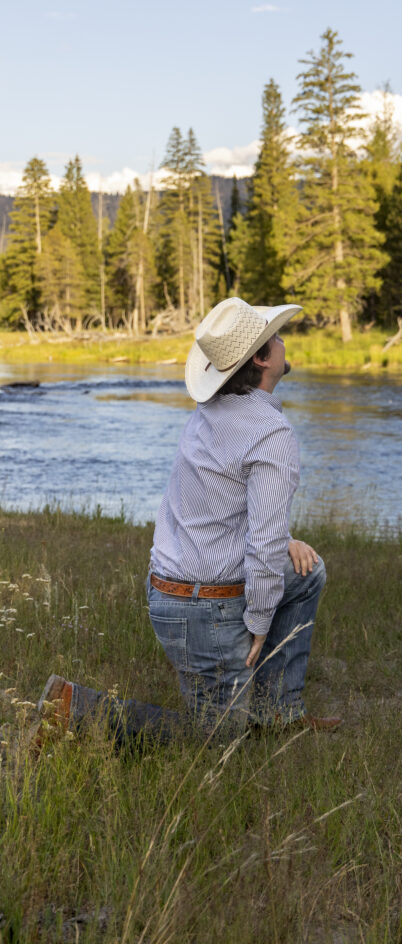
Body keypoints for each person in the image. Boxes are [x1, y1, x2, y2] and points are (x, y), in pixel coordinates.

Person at [34, 296, 341, 750]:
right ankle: (72, 706)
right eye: (275, 337)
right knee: (216, 743)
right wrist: (258, 621)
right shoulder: (272, 434)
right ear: (261, 359)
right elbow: (261, 546)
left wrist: (285, 540)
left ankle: (276, 710)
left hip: (168, 594)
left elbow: (220, 509)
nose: (282, 341)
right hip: (206, 611)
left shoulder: (208, 414)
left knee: (306, 572)